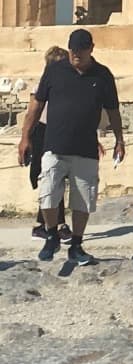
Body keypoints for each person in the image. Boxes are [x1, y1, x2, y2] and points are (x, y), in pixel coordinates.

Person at [16, 29, 123, 265]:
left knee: (83, 199)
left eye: (81, 51)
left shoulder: (103, 75)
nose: (76, 55)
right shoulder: (54, 71)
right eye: (73, 50)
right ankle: (51, 235)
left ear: (91, 49)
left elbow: (113, 110)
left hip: (85, 147)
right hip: (54, 145)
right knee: (48, 191)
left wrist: (119, 139)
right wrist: (25, 137)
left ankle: (76, 244)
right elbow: (36, 105)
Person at [26, 47, 70, 239]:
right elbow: (31, 114)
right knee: (52, 179)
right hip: (44, 132)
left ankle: (42, 225)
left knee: (54, 180)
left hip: (57, 132)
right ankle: (58, 225)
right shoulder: (41, 86)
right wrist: (25, 139)